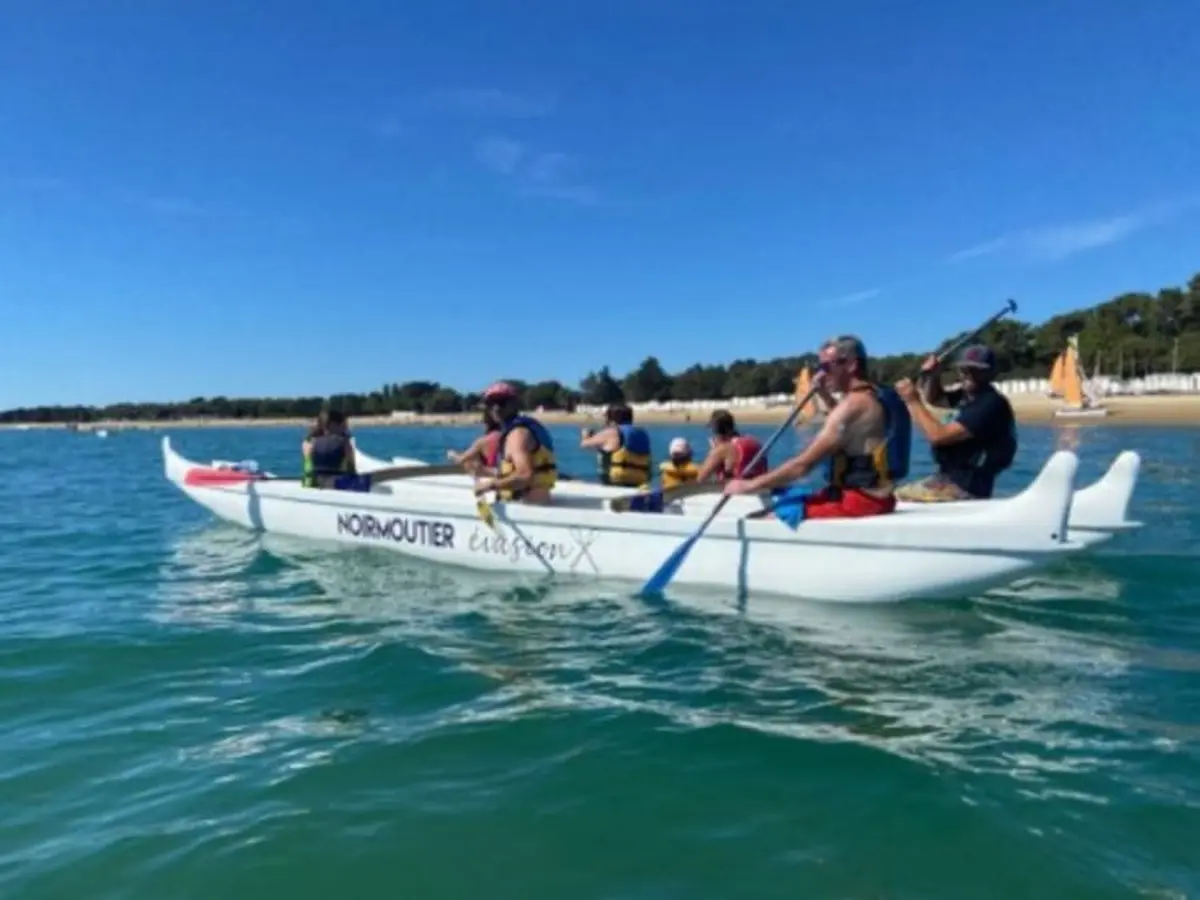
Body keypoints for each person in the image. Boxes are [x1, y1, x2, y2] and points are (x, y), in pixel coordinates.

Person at [725, 335, 910, 521]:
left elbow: (803, 466)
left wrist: (749, 485)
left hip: (860, 502)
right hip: (878, 497)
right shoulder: (872, 396)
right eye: (819, 367)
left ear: (851, 365)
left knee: (773, 515)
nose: (821, 374)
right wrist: (824, 394)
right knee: (786, 493)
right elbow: (850, 425)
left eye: (826, 367)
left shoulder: (852, 406)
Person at [893, 344, 1017, 501]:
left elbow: (938, 436)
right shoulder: (969, 396)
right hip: (949, 478)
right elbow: (936, 398)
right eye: (964, 369)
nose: (968, 374)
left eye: (976, 370)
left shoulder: (989, 404)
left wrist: (912, 400)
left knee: (896, 499)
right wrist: (934, 375)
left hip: (968, 486)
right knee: (894, 494)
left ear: (990, 373)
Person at [472, 381, 558, 504]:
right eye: (491, 403)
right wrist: (485, 471)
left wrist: (491, 485)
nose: (495, 408)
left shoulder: (517, 435)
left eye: (501, 402)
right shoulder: (517, 430)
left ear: (514, 404)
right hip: (532, 505)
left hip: (527, 510)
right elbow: (515, 470)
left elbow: (525, 475)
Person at [579, 403, 653, 487]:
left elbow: (584, 444)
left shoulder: (613, 432)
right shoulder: (642, 433)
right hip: (641, 481)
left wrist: (585, 435)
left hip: (617, 482)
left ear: (611, 419)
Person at [694, 410, 768, 483]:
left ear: (715, 431)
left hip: (737, 491)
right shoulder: (754, 442)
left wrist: (714, 451)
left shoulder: (722, 450)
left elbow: (700, 479)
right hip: (759, 488)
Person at [301, 408, 359, 489]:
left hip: (312, 485)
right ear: (332, 425)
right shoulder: (345, 442)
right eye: (343, 425)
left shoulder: (308, 443)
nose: (346, 429)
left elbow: (308, 468)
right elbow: (351, 469)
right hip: (336, 485)